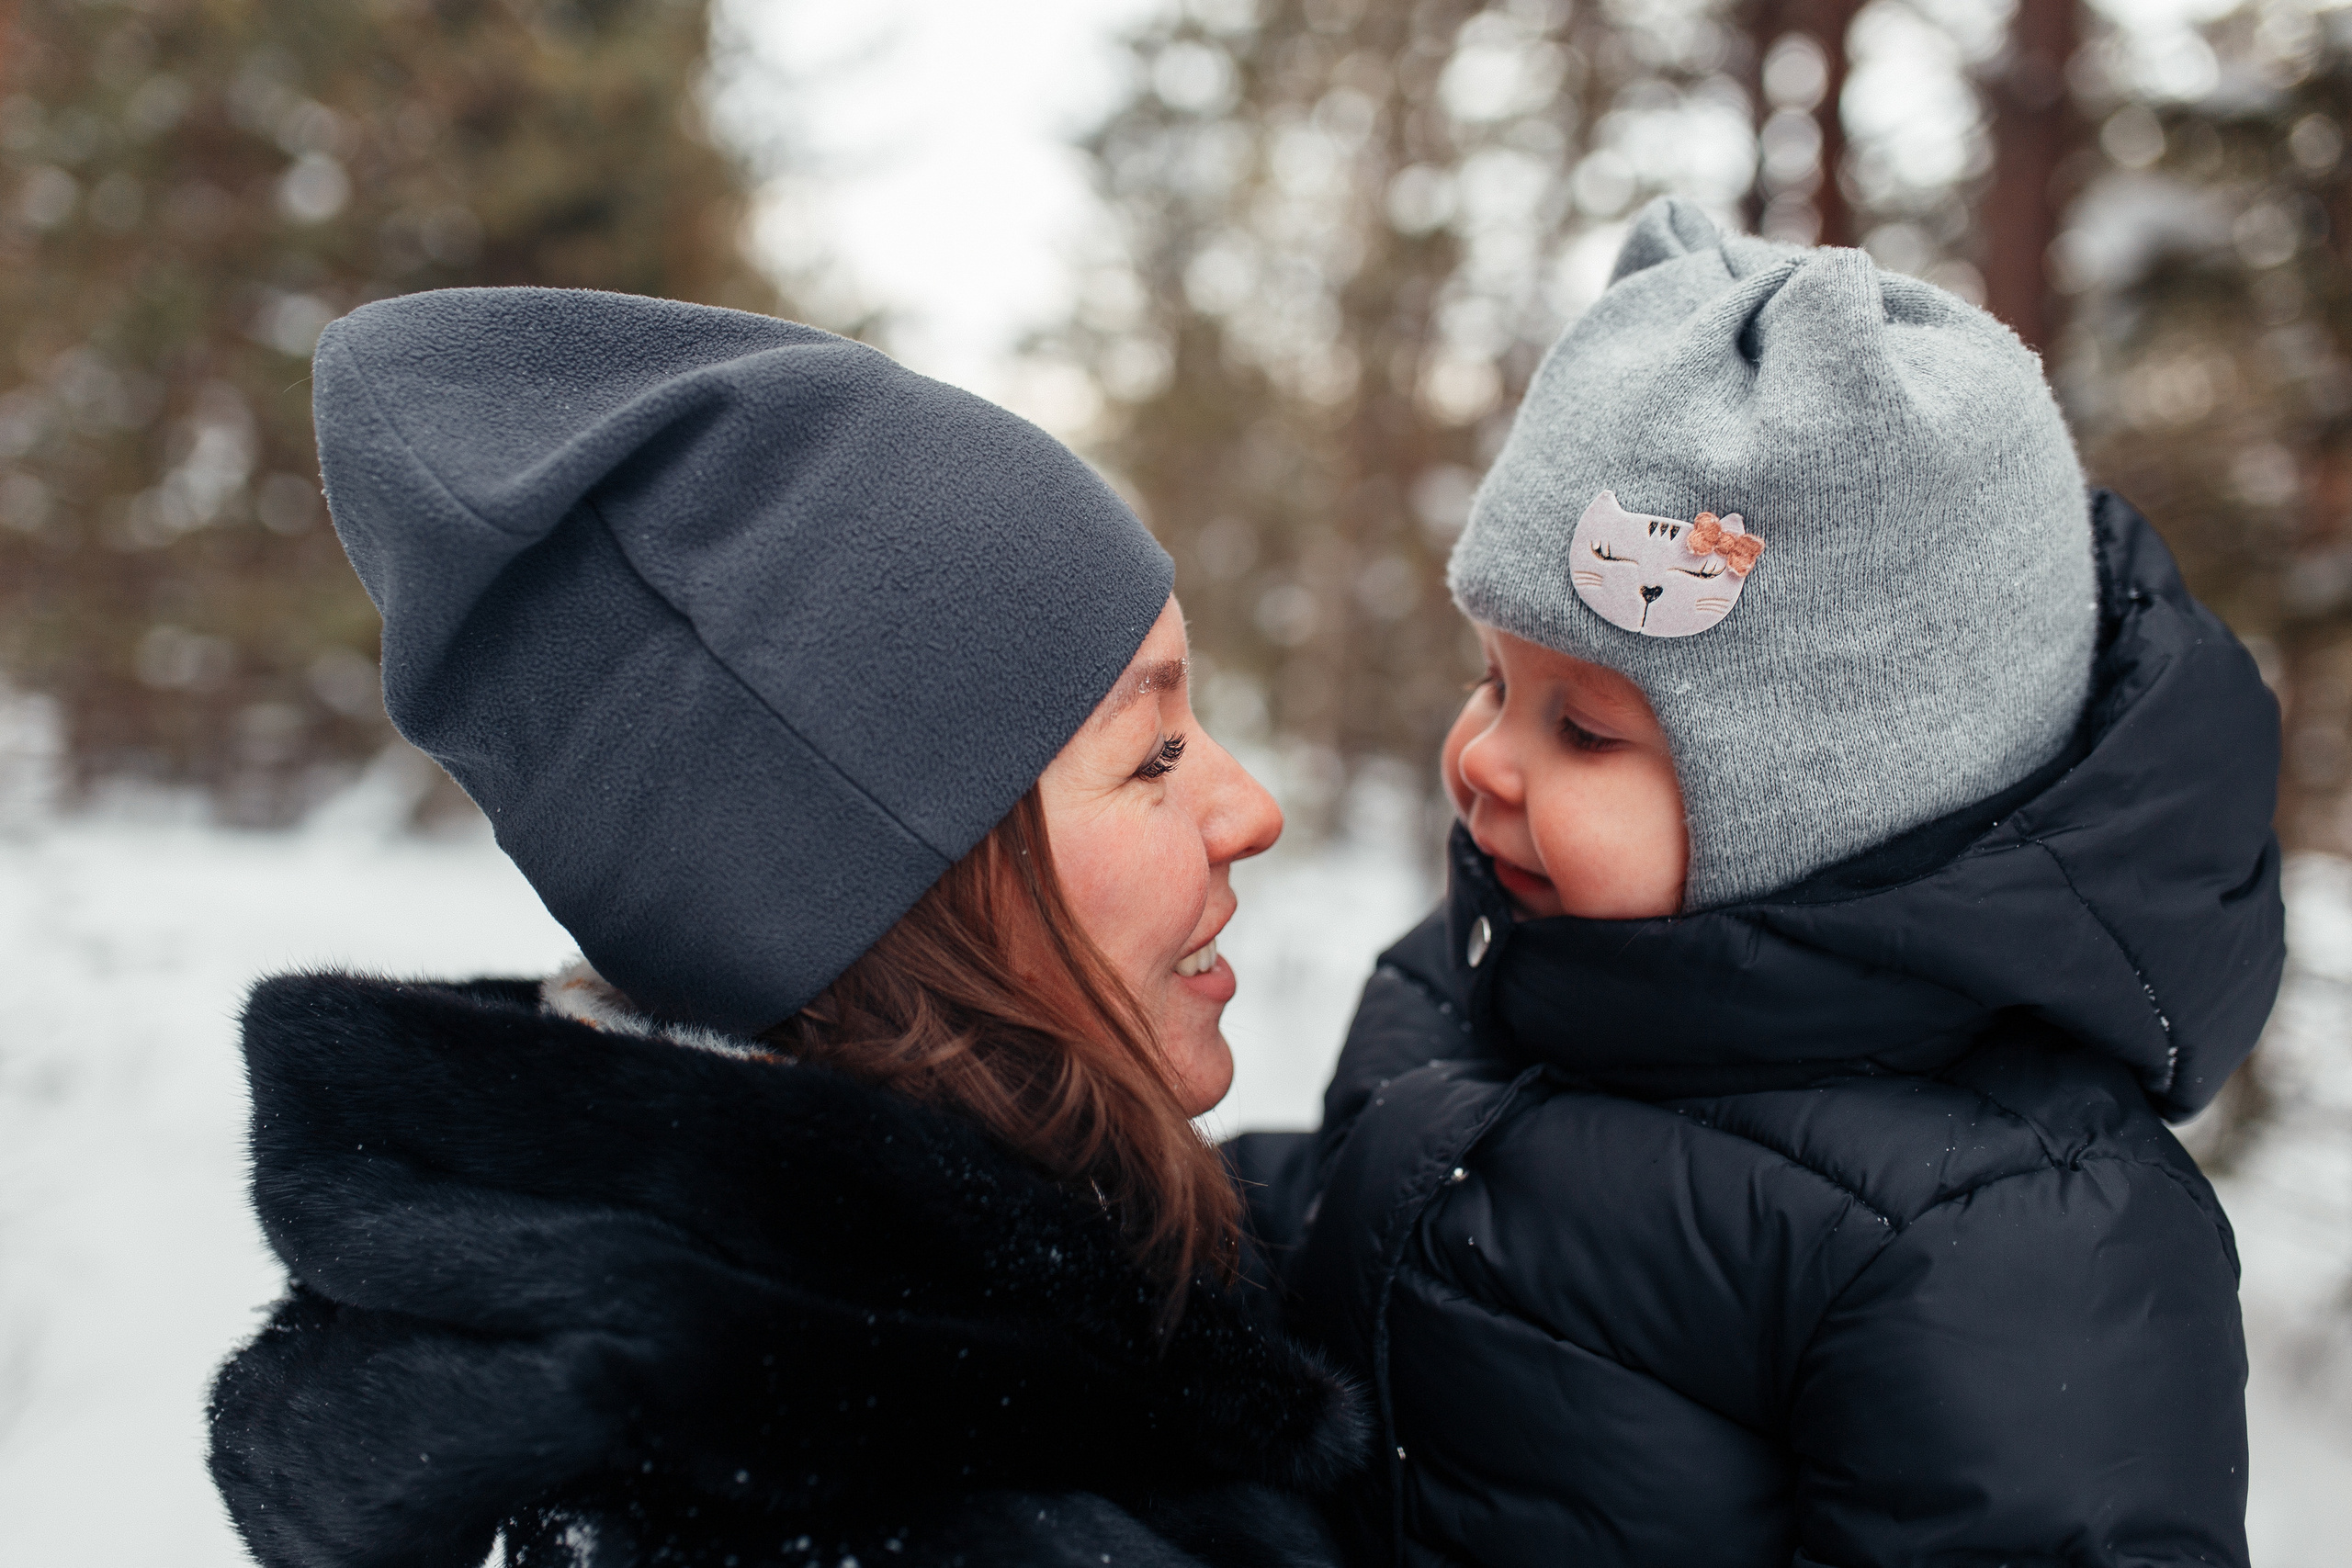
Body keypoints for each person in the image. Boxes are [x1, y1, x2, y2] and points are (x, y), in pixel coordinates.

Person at [206, 288, 1366, 1568]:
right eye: (1152, 754)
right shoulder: (905, 1520)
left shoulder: (1026, 1287)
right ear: (885, 888)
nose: (1251, 809)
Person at [1234, 198, 2279, 1567]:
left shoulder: (2003, 1236)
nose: (1482, 757)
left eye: (1584, 728)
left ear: (1833, 803)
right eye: (1492, 679)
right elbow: (1346, 1230)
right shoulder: (1484, 974)